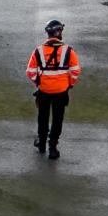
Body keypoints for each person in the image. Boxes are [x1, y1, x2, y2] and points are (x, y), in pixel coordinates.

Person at [27, 19, 81, 159]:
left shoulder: (38, 51)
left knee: (42, 117)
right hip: (61, 91)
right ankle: (53, 147)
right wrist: (70, 84)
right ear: (58, 32)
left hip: (44, 90)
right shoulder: (68, 51)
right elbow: (75, 71)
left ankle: (41, 143)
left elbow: (30, 72)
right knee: (58, 119)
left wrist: (38, 82)